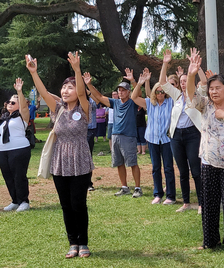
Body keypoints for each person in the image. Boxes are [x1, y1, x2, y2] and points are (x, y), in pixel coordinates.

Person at [26, 52, 94, 258]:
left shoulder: (84, 108)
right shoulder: (58, 109)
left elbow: (82, 94)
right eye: (64, 87)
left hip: (80, 159)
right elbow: (43, 91)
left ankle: (83, 243)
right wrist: (33, 73)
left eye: (70, 87)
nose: (65, 90)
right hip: (60, 161)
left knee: (78, 203)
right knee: (65, 205)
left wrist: (76, 70)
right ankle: (72, 242)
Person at [185, 51, 224, 257]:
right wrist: (192, 73)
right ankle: (210, 241)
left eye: (217, 88)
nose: (214, 92)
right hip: (208, 161)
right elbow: (191, 96)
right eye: (211, 88)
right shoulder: (205, 106)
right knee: (210, 204)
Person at [160, 49, 206, 214]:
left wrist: (197, 67)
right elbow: (163, 83)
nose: (185, 83)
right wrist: (165, 64)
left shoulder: (197, 95)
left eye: (187, 80)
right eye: (182, 81)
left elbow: (205, 82)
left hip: (193, 135)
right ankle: (186, 202)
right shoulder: (177, 96)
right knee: (182, 171)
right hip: (176, 137)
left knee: (195, 170)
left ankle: (202, 203)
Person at [85, 71, 143, 198]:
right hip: (115, 135)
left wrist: (133, 81)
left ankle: (138, 188)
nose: (121, 92)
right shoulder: (115, 103)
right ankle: (124, 187)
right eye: (119, 90)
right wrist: (89, 85)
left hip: (128, 136)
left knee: (132, 163)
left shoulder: (133, 102)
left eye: (123, 90)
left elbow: (138, 93)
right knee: (119, 163)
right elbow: (99, 97)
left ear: (128, 92)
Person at [131, 71, 176, 205]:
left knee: (168, 168)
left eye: (162, 91)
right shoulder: (149, 103)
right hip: (152, 139)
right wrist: (139, 83)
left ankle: (171, 196)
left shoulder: (171, 102)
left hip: (167, 140)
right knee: (155, 167)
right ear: (154, 93)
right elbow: (134, 97)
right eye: (157, 92)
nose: (160, 94)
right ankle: (157, 194)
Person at [0, 79, 32, 212]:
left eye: (13, 102)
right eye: (8, 102)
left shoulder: (21, 116)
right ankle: (15, 200)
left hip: (19, 150)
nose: (9, 104)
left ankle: (24, 201)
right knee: (8, 176)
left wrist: (19, 91)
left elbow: (24, 107)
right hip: (3, 151)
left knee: (19, 176)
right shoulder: (3, 118)